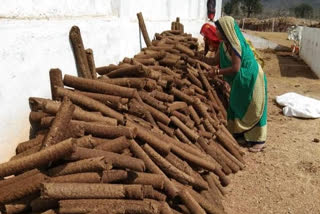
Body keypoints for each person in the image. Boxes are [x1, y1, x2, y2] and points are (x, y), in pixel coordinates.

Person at [201, 16, 268, 152]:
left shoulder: (235, 45)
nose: (216, 32)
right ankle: (245, 135)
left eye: (219, 29)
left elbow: (235, 68)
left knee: (255, 106)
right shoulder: (223, 45)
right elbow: (214, 61)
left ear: (226, 30)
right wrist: (198, 58)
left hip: (252, 77)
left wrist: (217, 72)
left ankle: (260, 140)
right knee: (239, 105)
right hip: (241, 79)